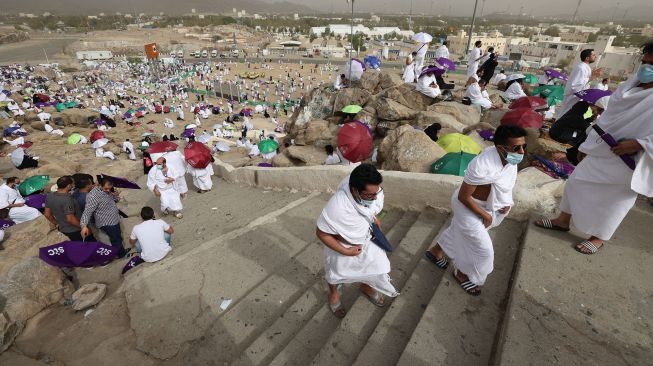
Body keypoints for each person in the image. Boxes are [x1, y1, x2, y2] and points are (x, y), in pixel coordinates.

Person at [535, 41, 653, 255]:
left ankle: (598, 237)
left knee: (615, 200)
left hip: (631, 158)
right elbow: (607, 116)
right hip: (602, 147)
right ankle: (563, 220)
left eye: (652, 64)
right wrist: (587, 145)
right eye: (645, 62)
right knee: (576, 181)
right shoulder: (630, 85)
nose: (646, 68)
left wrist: (639, 144)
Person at [425, 125, 527, 295]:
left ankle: (436, 252)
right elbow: (463, 197)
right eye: (517, 147)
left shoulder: (510, 160)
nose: (522, 151)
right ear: (501, 148)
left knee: (458, 229)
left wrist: (504, 203)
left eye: (524, 146)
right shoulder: (481, 165)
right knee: (484, 251)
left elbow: (505, 185)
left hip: (487, 205)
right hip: (468, 205)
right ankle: (462, 272)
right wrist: (485, 214)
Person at [316, 164, 399, 318]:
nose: (375, 198)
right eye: (370, 195)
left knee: (374, 267)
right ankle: (334, 294)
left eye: (377, 192)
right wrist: (346, 251)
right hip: (343, 247)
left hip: (367, 240)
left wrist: (372, 218)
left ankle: (366, 286)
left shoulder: (367, 190)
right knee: (336, 274)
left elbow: (369, 206)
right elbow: (322, 233)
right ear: (354, 190)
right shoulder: (337, 208)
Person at [80, 177, 129, 258]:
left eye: (110, 188)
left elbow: (113, 200)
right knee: (116, 239)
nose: (108, 191)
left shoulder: (107, 190)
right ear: (99, 185)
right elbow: (87, 212)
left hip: (114, 219)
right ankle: (120, 255)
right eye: (106, 188)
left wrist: (116, 196)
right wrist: (83, 225)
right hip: (107, 222)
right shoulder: (93, 196)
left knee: (117, 237)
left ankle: (121, 251)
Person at [44, 176, 95, 242]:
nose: (73, 185)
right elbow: (70, 219)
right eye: (72, 184)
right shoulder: (67, 199)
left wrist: (57, 224)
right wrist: (84, 227)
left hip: (63, 229)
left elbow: (47, 214)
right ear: (68, 186)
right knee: (91, 246)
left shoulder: (50, 196)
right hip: (76, 230)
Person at [557, 49, 597, 118]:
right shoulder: (580, 68)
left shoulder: (586, 68)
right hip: (572, 96)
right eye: (593, 55)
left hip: (579, 96)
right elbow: (575, 85)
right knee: (565, 115)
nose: (595, 57)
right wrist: (591, 78)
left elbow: (585, 82)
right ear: (587, 58)